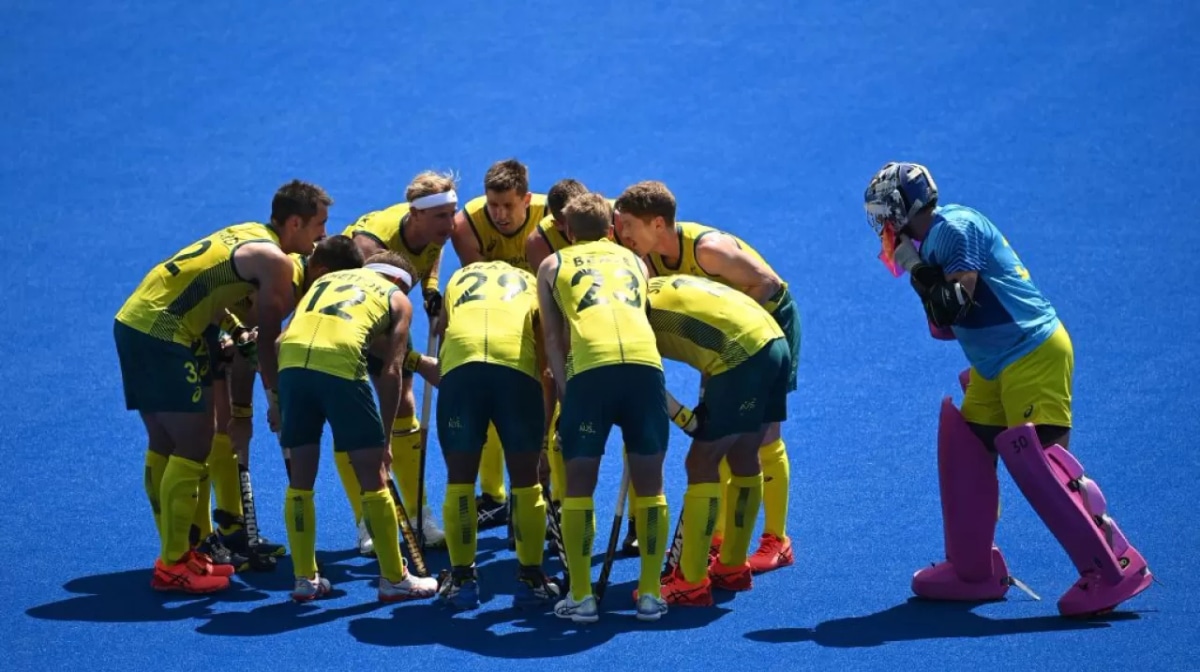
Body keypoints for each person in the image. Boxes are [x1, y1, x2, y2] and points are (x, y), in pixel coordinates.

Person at [863, 161, 1152, 617]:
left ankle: (1113, 568)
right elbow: (943, 326)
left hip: (1032, 353)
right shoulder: (932, 241)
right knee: (966, 450)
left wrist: (916, 268)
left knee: (1044, 468)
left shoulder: (954, 230)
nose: (881, 226)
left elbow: (954, 305)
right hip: (995, 366)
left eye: (883, 215)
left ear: (901, 209)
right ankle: (971, 571)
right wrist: (920, 269)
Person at [114, 179, 330, 593]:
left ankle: (180, 554)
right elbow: (267, 339)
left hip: (136, 320)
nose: (321, 234)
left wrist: (232, 328)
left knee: (164, 442)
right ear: (296, 222)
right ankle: (173, 563)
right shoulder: (278, 262)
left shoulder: (249, 232)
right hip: (165, 332)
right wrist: (275, 398)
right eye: (319, 224)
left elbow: (217, 295)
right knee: (194, 444)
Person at [614, 180, 801, 573]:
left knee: (762, 436)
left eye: (629, 224)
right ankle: (717, 540)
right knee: (720, 438)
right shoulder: (649, 258)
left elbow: (767, 284)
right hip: (721, 343)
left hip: (766, 324)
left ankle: (777, 539)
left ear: (659, 224)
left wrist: (734, 343)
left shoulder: (708, 251)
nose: (623, 233)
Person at [275, 237, 439, 602]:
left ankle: (304, 578)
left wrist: (276, 401)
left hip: (291, 366)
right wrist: (383, 440)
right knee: (374, 477)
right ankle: (394, 578)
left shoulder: (322, 283)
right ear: (401, 284)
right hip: (340, 368)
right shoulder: (396, 299)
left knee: (300, 480)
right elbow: (392, 371)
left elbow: (277, 342)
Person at [537, 193, 670, 623]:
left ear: (567, 232)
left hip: (591, 373)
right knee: (651, 486)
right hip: (644, 367)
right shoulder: (636, 262)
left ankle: (581, 596)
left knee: (579, 485)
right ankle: (650, 595)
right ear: (611, 228)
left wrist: (563, 390)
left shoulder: (552, 266)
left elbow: (554, 341)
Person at [644, 274, 791, 606]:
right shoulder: (658, 282)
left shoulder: (630, 316)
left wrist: (688, 421)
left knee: (700, 462)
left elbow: (646, 383)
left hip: (742, 358)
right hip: (774, 341)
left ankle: (691, 582)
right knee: (743, 454)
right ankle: (732, 566)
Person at [427, 259, 561, 610]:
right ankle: (532, 580)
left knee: (459, 481)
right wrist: (543, 439)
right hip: (515, 372)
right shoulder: (533, 280)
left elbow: (442, 335)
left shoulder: (457, 278)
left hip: (461, 370)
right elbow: (547, 359)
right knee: (526, 480)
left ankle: (461, 578)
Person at [338, 170, 459, 553]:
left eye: (452, 214)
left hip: (385, 315)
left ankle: (418, 514)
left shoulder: (434, 231)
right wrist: (419, 362)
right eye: (441, 216)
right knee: (355, 415)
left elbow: (432, 255)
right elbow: (373, 339)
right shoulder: (369, 248)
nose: (451, 224)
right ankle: (367, 520)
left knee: (404, 402)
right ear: (415, 214)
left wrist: (432, 290)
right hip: (344, 323)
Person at [450, 159, 549, 530]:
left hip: (543, 312)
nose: (501, 214)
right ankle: (494, 497)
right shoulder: (468, 224)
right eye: (494, 205)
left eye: (509, 205)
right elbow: (483, 281)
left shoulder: (551, 215)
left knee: (548, 397)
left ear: (526, 198)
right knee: (491, 404)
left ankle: (547, 491)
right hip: (499, 318)